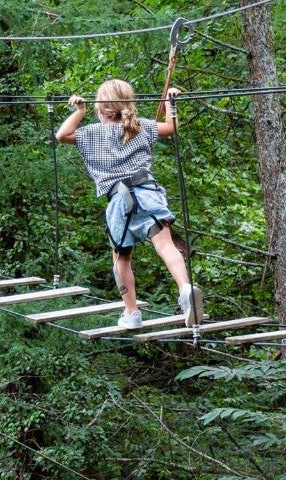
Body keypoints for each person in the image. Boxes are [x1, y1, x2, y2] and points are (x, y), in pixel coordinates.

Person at [55, 80, 204, 330]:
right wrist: (170, 103)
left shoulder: (91, 132)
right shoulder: (142, 127)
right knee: (166, 246)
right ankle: (185, 288)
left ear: (100, 109)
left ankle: (132, 312)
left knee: (121, 258)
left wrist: (78, 112)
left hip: (118, 202)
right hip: (148, 193)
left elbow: (61, 135)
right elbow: (171, 127)